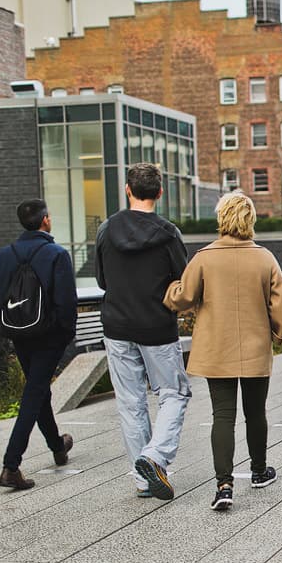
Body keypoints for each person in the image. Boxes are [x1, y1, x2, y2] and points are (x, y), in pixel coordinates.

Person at [164, 191, 282, 511]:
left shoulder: (204, 257)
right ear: (250, 220)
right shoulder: (265, 258)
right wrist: (277, 333)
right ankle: (259, 472)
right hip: (255, 345)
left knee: (223, 415)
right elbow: (279, 305)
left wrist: (169, 291)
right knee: (255, 412)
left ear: (222, 218)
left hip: (217, 347)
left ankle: (224, 485)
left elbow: (183, 297)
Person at [95, 163, 191, 501]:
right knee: (174, 394)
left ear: (127, 189)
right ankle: (154, 457)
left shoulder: (107, 229)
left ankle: (142, 478)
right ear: (160, 192)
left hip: (117, 325)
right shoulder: (169, 233)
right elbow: (185, 281)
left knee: (131, 401)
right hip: (157, 325)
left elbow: (101, 280)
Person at [0, 199, 76, 490]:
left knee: (38, 390)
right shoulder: (56, 255)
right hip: (49, 338)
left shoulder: (2, 256)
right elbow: (66, 304)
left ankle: (57, 447)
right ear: (45, 220)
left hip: (19, 336)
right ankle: (11, 466)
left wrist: (8, 328)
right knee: (34, 392)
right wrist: (64, 336)